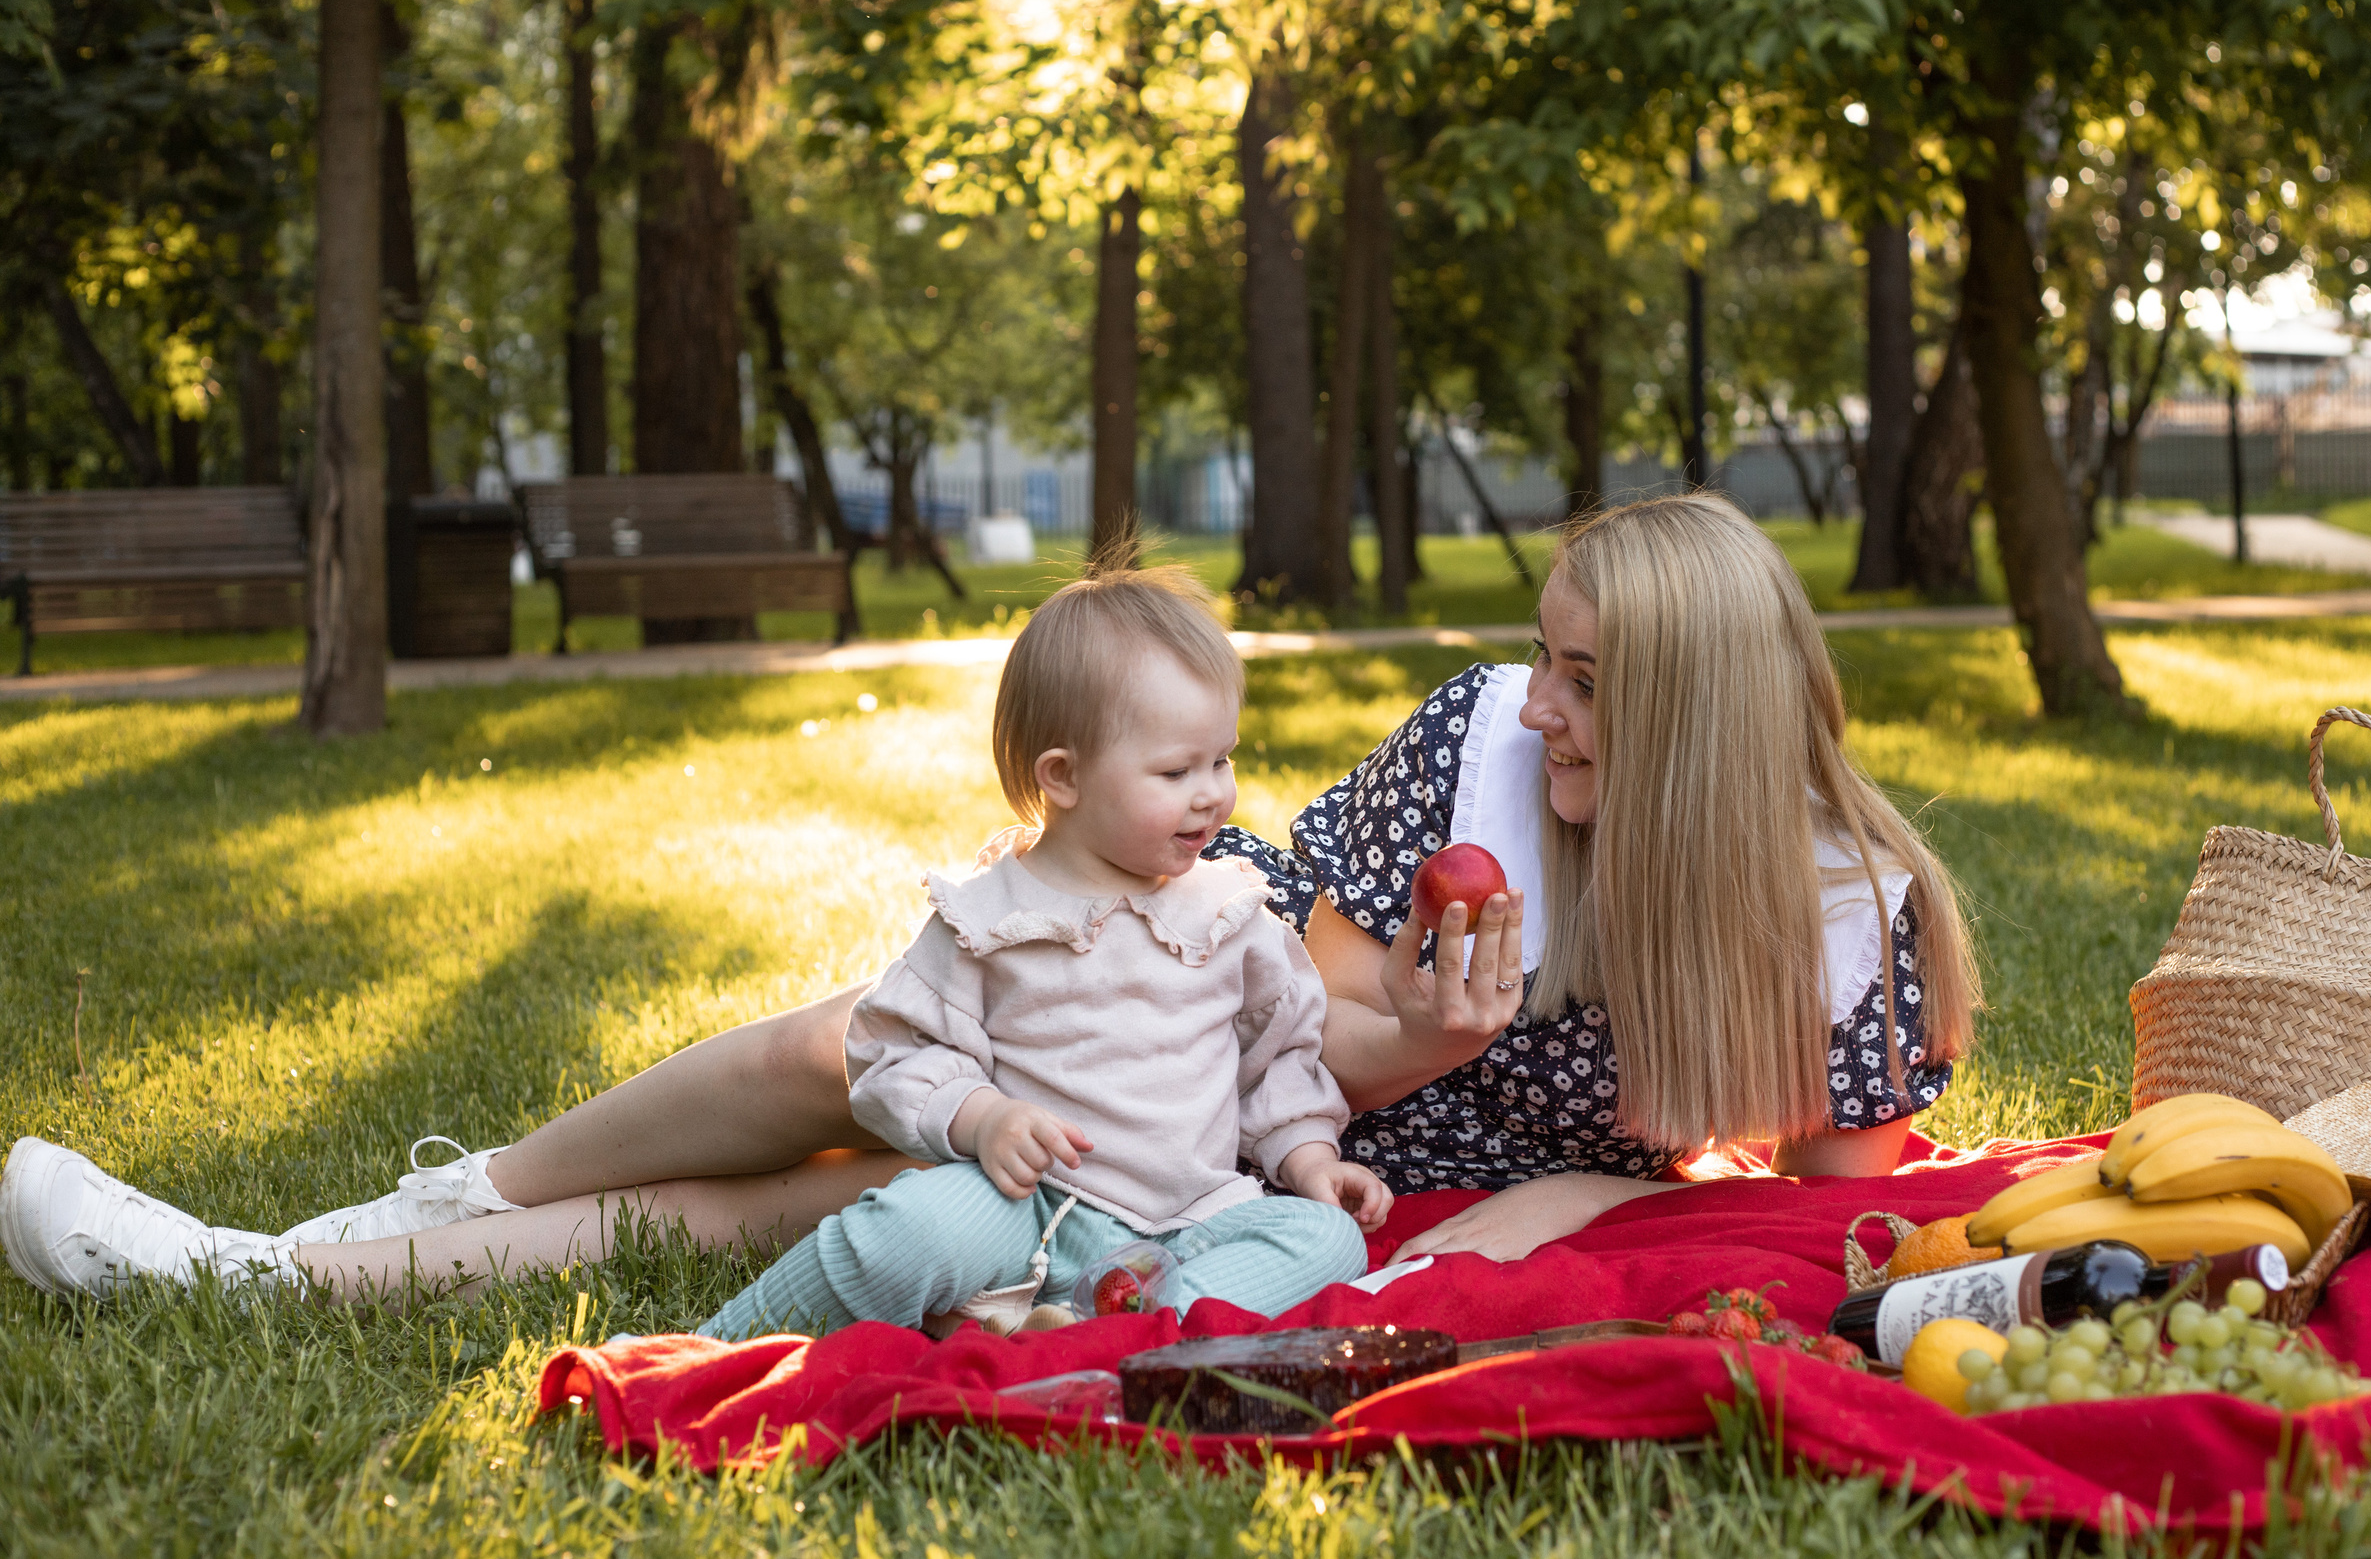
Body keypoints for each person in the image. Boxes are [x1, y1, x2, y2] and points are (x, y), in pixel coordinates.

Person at [2, 492, 1972, 1303]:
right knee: (843, 1054)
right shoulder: (1473, 750)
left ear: (1702, 720)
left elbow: (1819, 1193)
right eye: (1543, 657)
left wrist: (1606, 1188)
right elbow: (1289, 1020)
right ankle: (441, 1199)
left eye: (1586, 683)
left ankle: (264, 1270)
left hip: (1307, 1184)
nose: (1532, 700)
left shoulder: (1840, 917)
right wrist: (1423, 1034)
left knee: (836, 1196)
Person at [3, 570, 1388, 1329]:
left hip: (1181, 1212)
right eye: (1183, 768)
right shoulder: (989, 917)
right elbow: (889, 1057)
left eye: (1228, 761)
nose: (1221, 797)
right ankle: (390, 1244)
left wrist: (1312, 1156)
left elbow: (1279, 1066)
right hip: (1019, 1194)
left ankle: (1139, 1336)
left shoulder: (1233, 918)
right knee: (894, 1193)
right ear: (1066, 775)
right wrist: (979, 1109)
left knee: (1301, 1232)